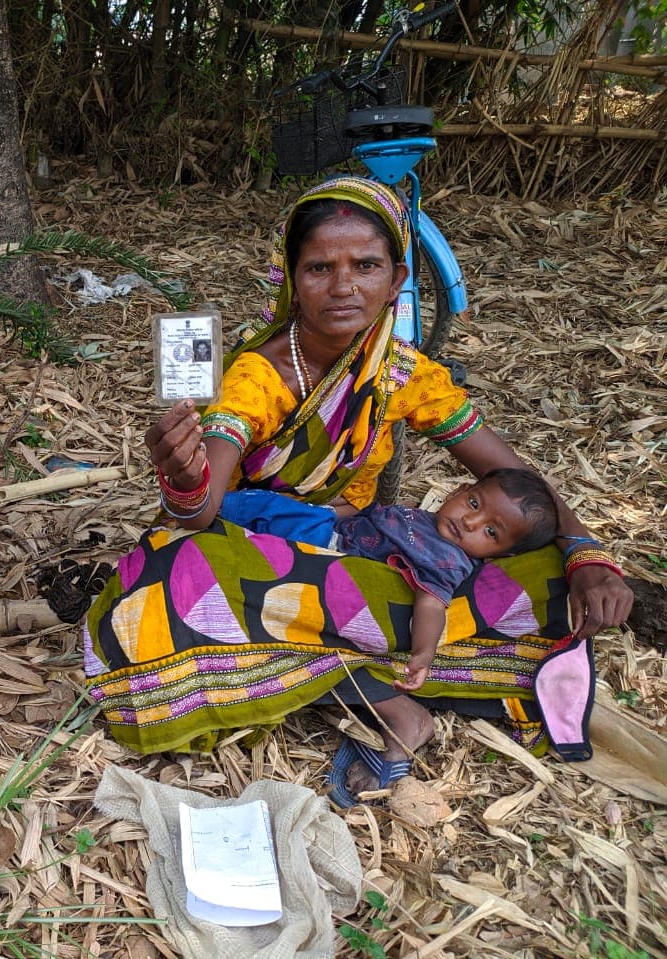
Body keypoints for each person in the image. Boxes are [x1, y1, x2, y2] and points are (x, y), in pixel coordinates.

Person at [84, 175, 633, 807]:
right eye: (320, 267)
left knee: (549, 562)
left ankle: (337, 667)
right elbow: (201, 511)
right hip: (267, 560)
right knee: (178, 569)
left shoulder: (402, 373)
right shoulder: (259, 375)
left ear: (396, 279)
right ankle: (396, 684)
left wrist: (589, 556)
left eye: (365, 265)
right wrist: (183, 475)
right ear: (291, 277)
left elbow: (521, 483)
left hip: (379, 562)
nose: (343, 287)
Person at [220, 468, 560, 695]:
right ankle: (205, 504)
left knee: (257, 537)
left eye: (490, 531)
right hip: (330, 525)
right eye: (473, 503)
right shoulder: (429, 520)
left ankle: (211, 522)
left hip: (326, 552)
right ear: (458, 490)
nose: (470, 521)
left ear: (499, 555)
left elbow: (431, 604)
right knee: (262, 504)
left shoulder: (449, 561)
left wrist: (423, 652)